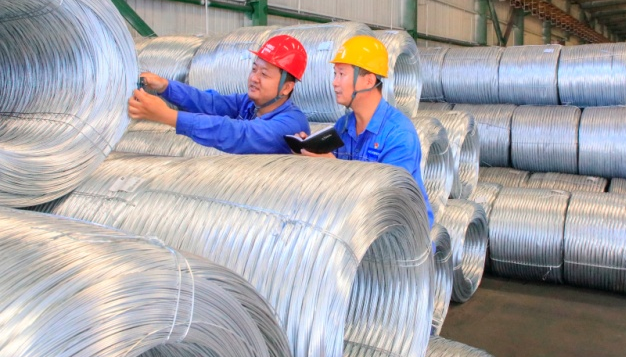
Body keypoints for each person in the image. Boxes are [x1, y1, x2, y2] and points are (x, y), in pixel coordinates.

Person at [299, 35, 434, 228]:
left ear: (369, 80)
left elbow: (387, 200)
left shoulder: (399, 135)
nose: (334, 82)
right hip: (359, 227)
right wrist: (310, 149)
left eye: (342, 74)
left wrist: (334, 167)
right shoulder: (343, 126)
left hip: (401, 235)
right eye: (335, 74)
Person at [128, 34, 310, 154]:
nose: (254, 78)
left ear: (286, 88)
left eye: (264, 74)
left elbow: (238, 134)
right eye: (254, 69)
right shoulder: (250, 105)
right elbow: (210, 103)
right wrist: (165, 86)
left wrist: (167, 116)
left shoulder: (292, 125)